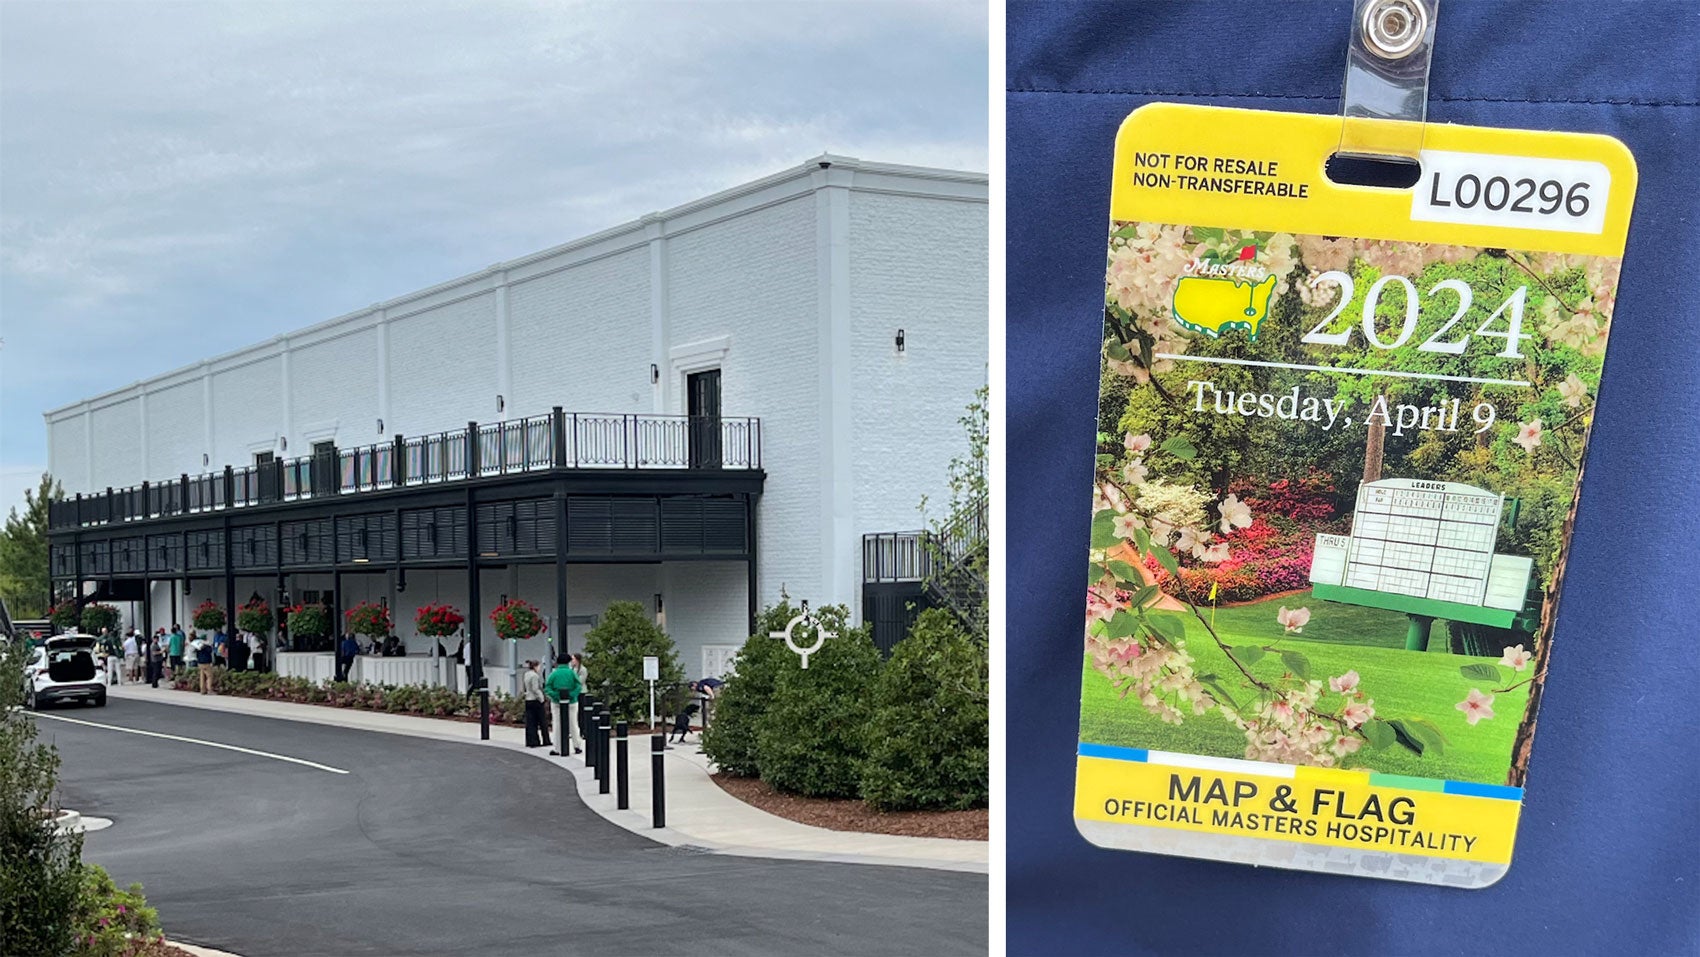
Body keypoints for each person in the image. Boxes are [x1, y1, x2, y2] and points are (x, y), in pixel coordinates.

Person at [545, 655, 584, 756]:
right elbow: (578, 685)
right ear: (568, 662)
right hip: (571, 701)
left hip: (557, 702)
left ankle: (557, 748)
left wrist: (555, 695)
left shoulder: (554, 674)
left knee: (557, 724)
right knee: (573, 724)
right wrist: (572, 695)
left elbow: (548, 687)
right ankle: (577, 746)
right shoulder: (571, 673)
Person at [521, 659, 548, 749]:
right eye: (539, 666)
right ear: (535, 666)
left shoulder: (526, 674)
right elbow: (535, 689)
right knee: (542, 720)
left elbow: (525, 688)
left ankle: (531, 741)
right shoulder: (535, 676)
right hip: (535, 700)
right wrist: (542, 698)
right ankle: (545, 740)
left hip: (528, 699)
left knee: (530, 721)